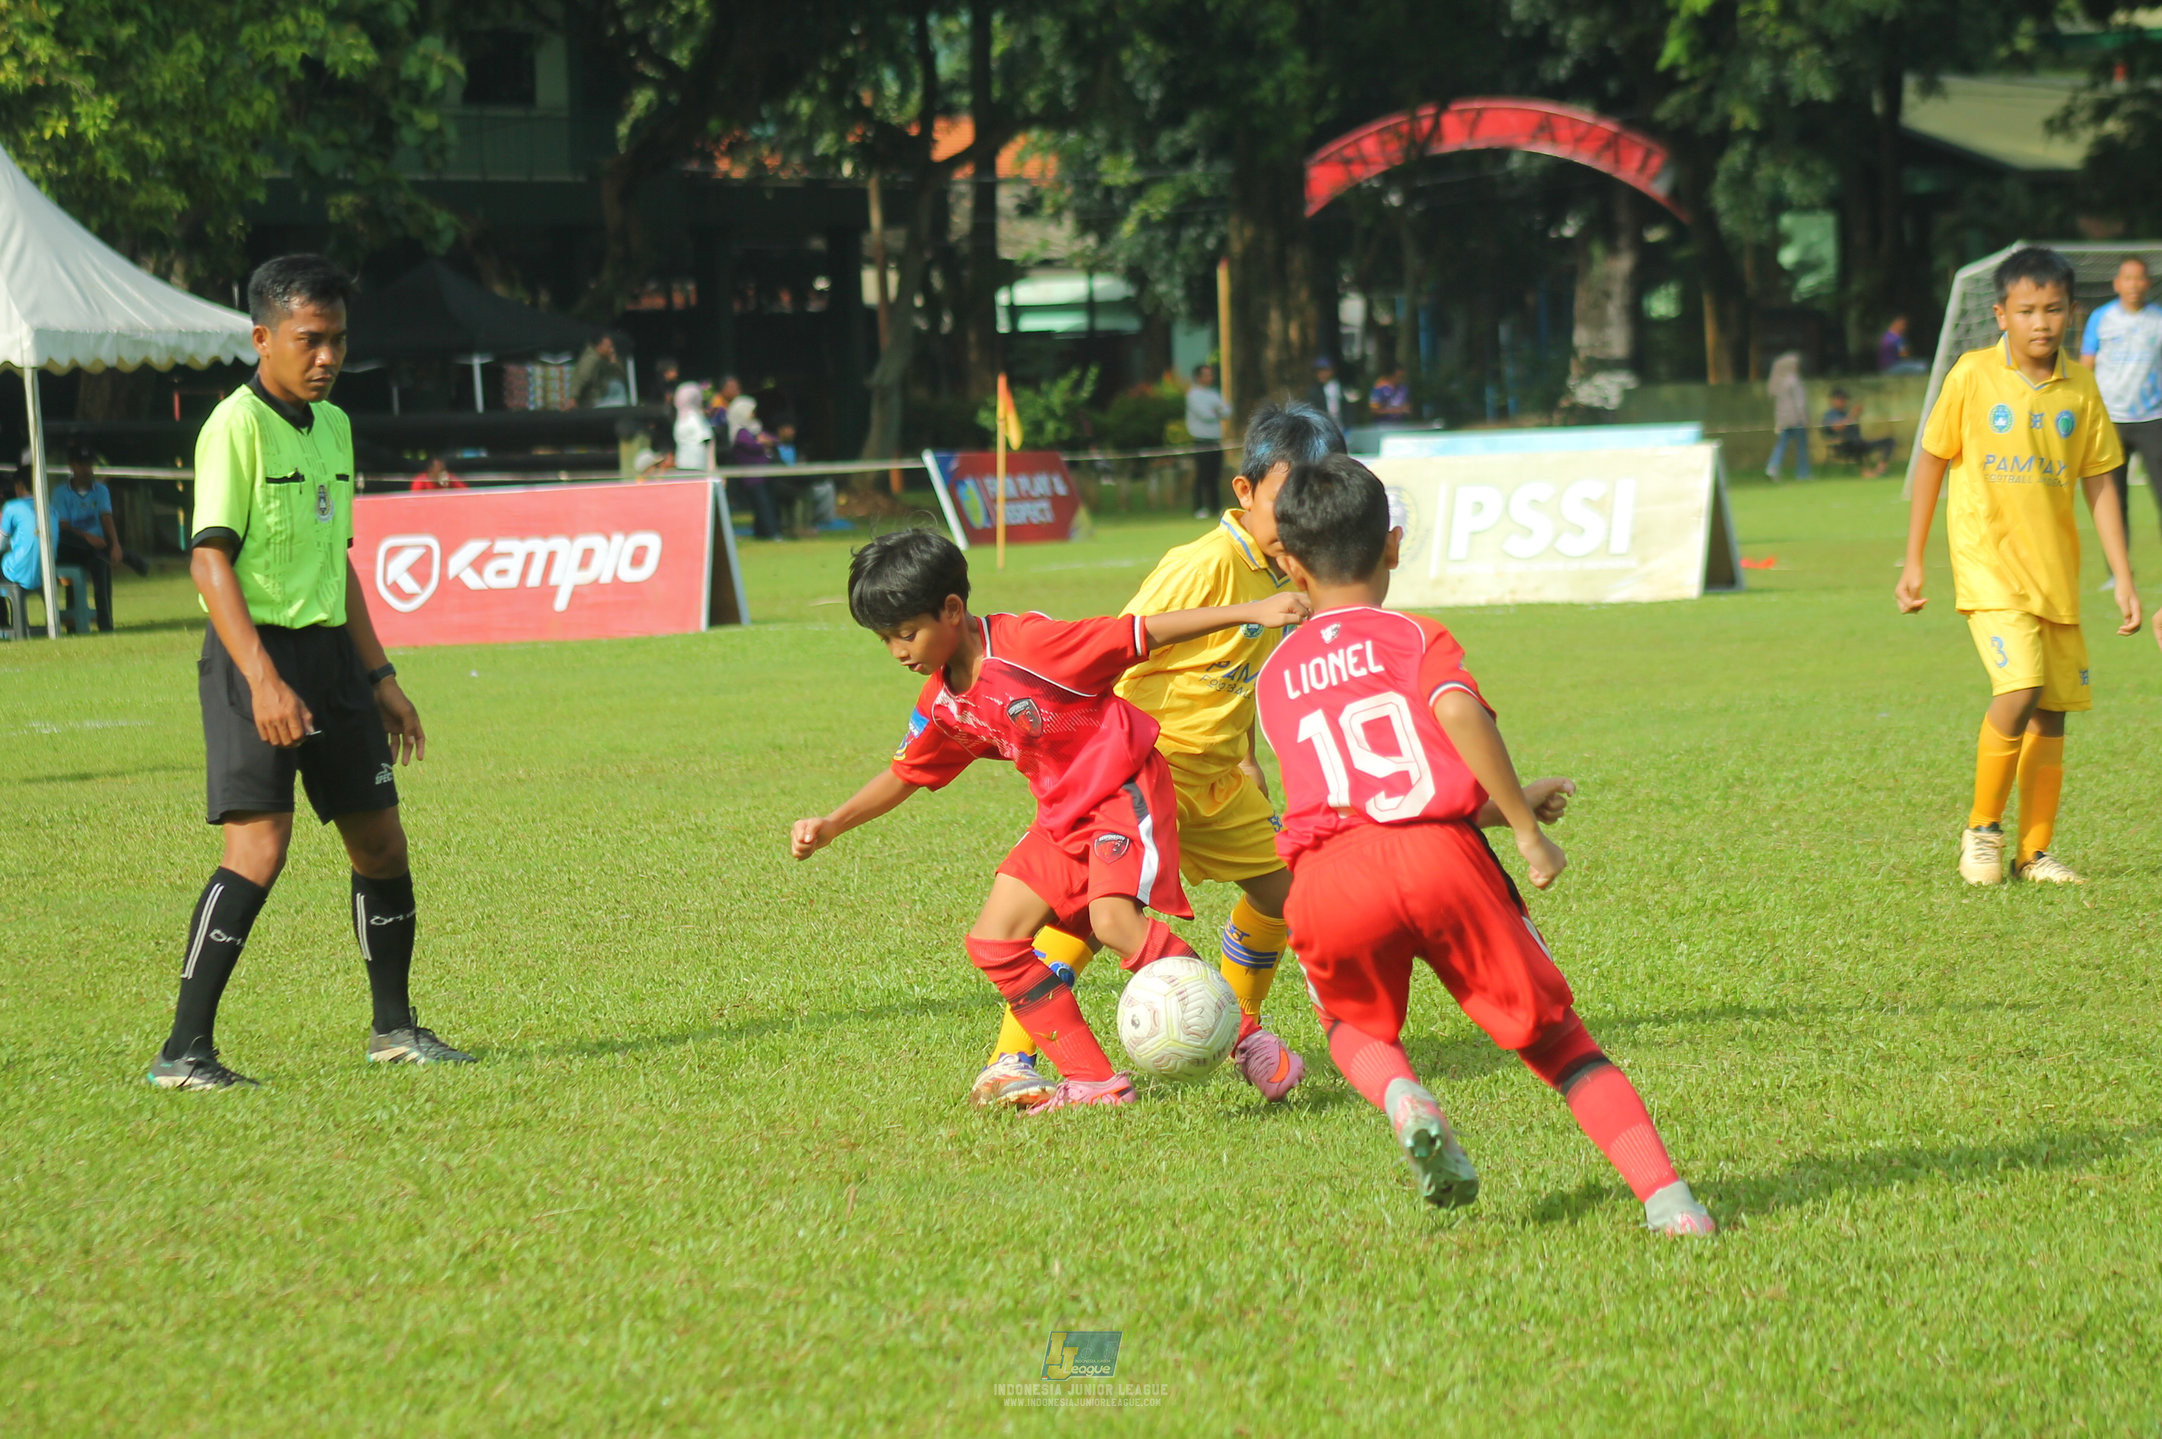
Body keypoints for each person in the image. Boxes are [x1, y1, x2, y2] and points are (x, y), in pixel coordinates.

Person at [1254, 452, 1717, 1235]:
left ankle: (1403, 1094)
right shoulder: (1413, 634)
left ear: (1288, 564)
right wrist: (1526, 829)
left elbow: (1360, 790)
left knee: (1352, 1027)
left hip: (1331, 877)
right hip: (1440, 859)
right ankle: (1670, 1202)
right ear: (1392, 545)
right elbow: (1456, 716)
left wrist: (1504, 803)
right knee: (1562, 1045)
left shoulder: (1277, 672)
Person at [789, 530, 1308, 1112]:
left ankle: (1246, 1039)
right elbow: (908, 772)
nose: (898, 652)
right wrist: (834, 823)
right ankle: (1094, 1082)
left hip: (1123, 790)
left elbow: (1141, 634)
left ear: (952, 610)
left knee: (1113, 922)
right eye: (885, 639)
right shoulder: (945, 700)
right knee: (993, 942)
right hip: (1063, 816)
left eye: (907, 633)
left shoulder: (1030, 647)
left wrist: (1257, 611)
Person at [148, 254, 473, 1091]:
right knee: (260, 847)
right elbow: (209, 561)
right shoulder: (233, 426)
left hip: (332, 659)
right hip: (254, 653)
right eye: (310, 340)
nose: (327, 357)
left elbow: (342, 562)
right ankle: (184, 1051)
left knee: (379, 838)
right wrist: (262, 678)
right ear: (263, 337)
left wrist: (381, 676)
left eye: (337, 341)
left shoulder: (335, 426)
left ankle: (394, 1029)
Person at [969, 402, 1348, 1110]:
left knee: (1282, 894)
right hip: (1147, 771)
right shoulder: (1201, 565)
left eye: (1316, 499)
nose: (1303, 517)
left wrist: (1243, 753)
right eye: (1287, 499)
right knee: (1084, 912)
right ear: (1244, 492)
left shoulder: (1286, 570)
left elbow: (1233, 674)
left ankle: (1239, 1022)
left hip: (1217, 779)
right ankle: (1011, 1058)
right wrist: (1087, 764)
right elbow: (1119, 644)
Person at [1897, 247, 2142, 888]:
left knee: (2052, 708)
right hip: (1989, 565)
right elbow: (1931, 459)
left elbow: (2100, 483)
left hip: (2054, 574)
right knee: (2020, 687)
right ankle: (1981, 831)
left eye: (2054, 309)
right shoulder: (1973, 376)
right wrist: (1914, 558)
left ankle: (2035, 853)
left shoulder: (2082, 389)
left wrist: (2124, 578)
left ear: (2071, 314)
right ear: (2001, 314)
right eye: (2027, 310)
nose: (2041, 322)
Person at [2079, 255, 2162, 569]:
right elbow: (2087, 365)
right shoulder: (2101, 318)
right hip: (2110, 419)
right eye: (2127, 278)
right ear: (2117, 284)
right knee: (2114, 499)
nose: (2134, 285)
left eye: (2139, 278)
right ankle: (2117, 570)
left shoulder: (2158, 319)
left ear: (2148, 283)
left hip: (2154, 418)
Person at [52, 441, 148, 632]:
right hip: (70, 547)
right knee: (75, 542)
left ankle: (105, 624)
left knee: (100, 560)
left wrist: (116, 545)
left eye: (89, 464)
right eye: (82, 464)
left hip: (96, 549)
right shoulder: (60, 493)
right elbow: (63, 526)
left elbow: (106, 517)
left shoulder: (101, 491)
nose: (87, 469)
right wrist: (87, 537)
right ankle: (130, 558)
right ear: (71, 465)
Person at [729, 395, 784, 539]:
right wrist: (762, 443)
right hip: (752, 477)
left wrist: (764, 441)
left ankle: (761, 533)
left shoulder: (755, 428)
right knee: (762, 505)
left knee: (768, 504)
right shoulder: (740, 432)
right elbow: (753, 446)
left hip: (764, 475)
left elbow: (774, 440)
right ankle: (771, 533)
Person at [1183, 362, 1232, 519]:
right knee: (1202, 475)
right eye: (1206, 375)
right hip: (1200, 440)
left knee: (1214, 475)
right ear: (1199, 377)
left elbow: (1227, 410)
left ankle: (1215, 506)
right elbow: (1206, 415)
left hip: (1215, 440)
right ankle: (1199, 507)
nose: (1210, 377)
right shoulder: (1193, 395)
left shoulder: (1214, 394)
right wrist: (1217, 411)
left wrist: (1217, 411)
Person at [2, 467, 46, 624]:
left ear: (20, 485)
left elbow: (0, 544)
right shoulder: (50, 507)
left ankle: (5, 624)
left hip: (19, 570)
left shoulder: (11, 507)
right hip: (46, 571)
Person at [1821, 388, 1893, 475]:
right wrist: (1852, 415)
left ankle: (1880, 468)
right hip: (1843, 446)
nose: (1843, 401)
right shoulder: (1830, 415)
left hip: (1858, 442)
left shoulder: (1845, 413)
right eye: (1840, 399)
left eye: (1844, 399)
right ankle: (1864, 472)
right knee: (1855, 443)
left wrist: (1856, 414)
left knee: (1889, 441)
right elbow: (1838, 427)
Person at [1765, 351, 1810, 481]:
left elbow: (1778, 406)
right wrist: (1804, 418)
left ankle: (1772, 467)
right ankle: (1803, 473)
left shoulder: (1778, 383)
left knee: (1781, 444)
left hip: (1784, 421)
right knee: (1801, 446)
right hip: (1797, 420)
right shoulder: (1793, 381)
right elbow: (1799, 402)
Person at [570, 332, 630, 409]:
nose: (611, 350)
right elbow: (581, 377)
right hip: (593, 400)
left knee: (617, 384)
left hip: (602, 395)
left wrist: (614, 364)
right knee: (616, 385)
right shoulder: (591, 359)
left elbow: (620, 376)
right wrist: (573, 398)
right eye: (609, 346)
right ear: (599, 346)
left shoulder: (603, 359)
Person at [672, 377, 714, 471]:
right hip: (697, 461)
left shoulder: (680, 419)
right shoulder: (695, 417)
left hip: (682, 460)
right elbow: (706, 438)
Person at [1306, 358, 1345, 427]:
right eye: (1318, 372)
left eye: (1323, 371)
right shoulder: (1314, 391)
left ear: (1331, 371)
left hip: (1343, 426)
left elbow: (1348, 408)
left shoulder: (1341, 387)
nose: (1320, 375)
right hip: (1325, 427)